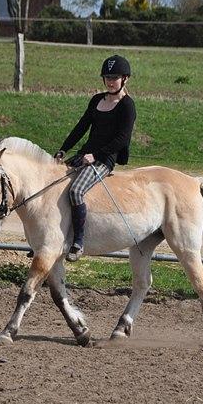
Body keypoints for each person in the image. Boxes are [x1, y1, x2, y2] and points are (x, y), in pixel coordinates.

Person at [54, 55, 136, 262]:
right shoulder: (97, 100)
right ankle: (54, 238)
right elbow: (81, 127)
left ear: (125, 79)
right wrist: (64, 149)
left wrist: (97, 155)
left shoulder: (127, 105)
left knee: (76, 190)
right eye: (107, 77)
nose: (110, 81)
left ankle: (78, 242)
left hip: (104, 160)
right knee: (54, 184)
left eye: (114, 77)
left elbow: (122, 139)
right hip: (85, 155)